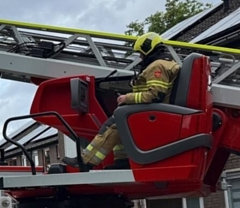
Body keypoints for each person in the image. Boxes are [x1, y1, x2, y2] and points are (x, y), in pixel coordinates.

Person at [63, 32, 180, 169]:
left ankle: (85, 161)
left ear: (147, 49)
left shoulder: (157, 66)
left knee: (115, 122)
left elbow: (155, 95)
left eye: (141, 53)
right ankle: (123, 161)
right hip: (157, 110)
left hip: (154, 111)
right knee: (123, 121)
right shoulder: (167, 64)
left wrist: (127, 98)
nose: (140, 57)